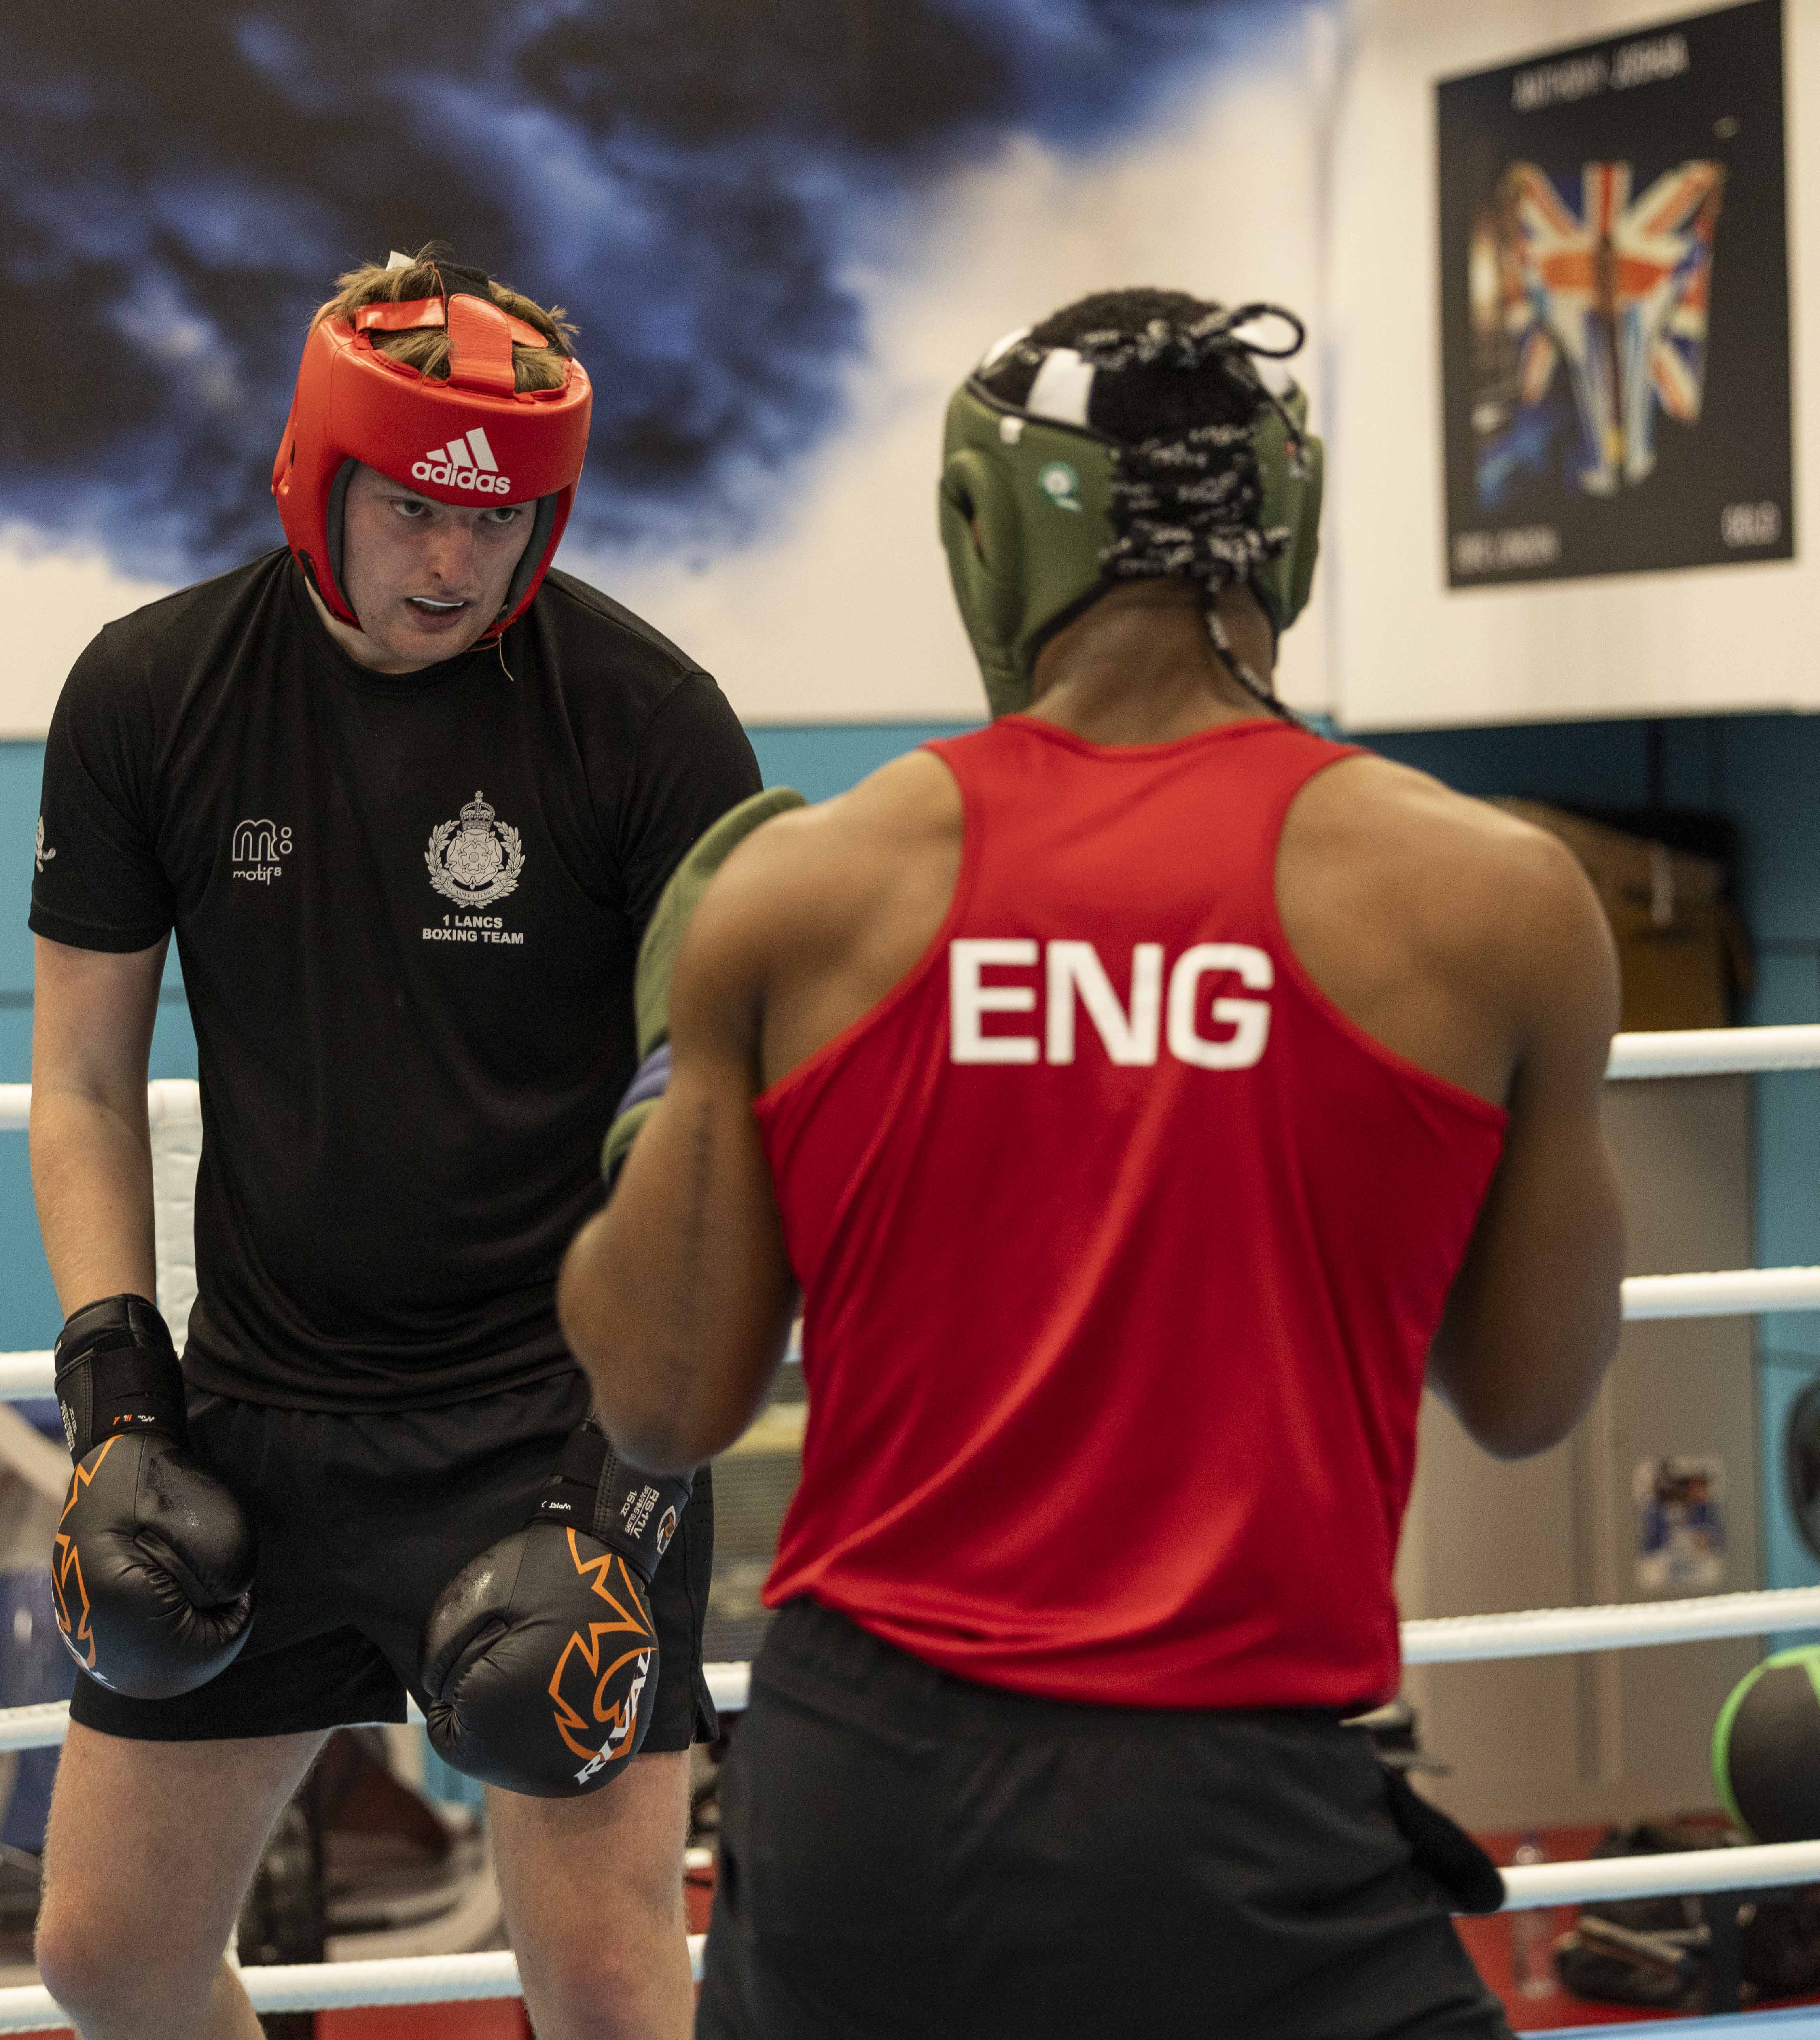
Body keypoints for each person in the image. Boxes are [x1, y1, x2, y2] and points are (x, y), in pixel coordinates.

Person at [558, 289, 1627, 2038]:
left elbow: (661, 1401)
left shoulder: (812, 892)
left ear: (982, 529)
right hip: (1241, 1808)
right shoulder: (1493, 900)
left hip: (863, 1795)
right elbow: (1530, 1392)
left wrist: (666, 1090)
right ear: (1287, 530)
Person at [26, 249, 761, 2040]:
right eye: (414, 513)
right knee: (104, 1956)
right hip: (260, 1417)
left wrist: (627, 1491)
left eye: (501, 520)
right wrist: (115, 1398)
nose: (454, 563)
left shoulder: (645, 720)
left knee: (604, 1990)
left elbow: (735, 1133)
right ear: (317, 473)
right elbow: (85, 1083)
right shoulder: (152, 693)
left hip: (550, 1425)